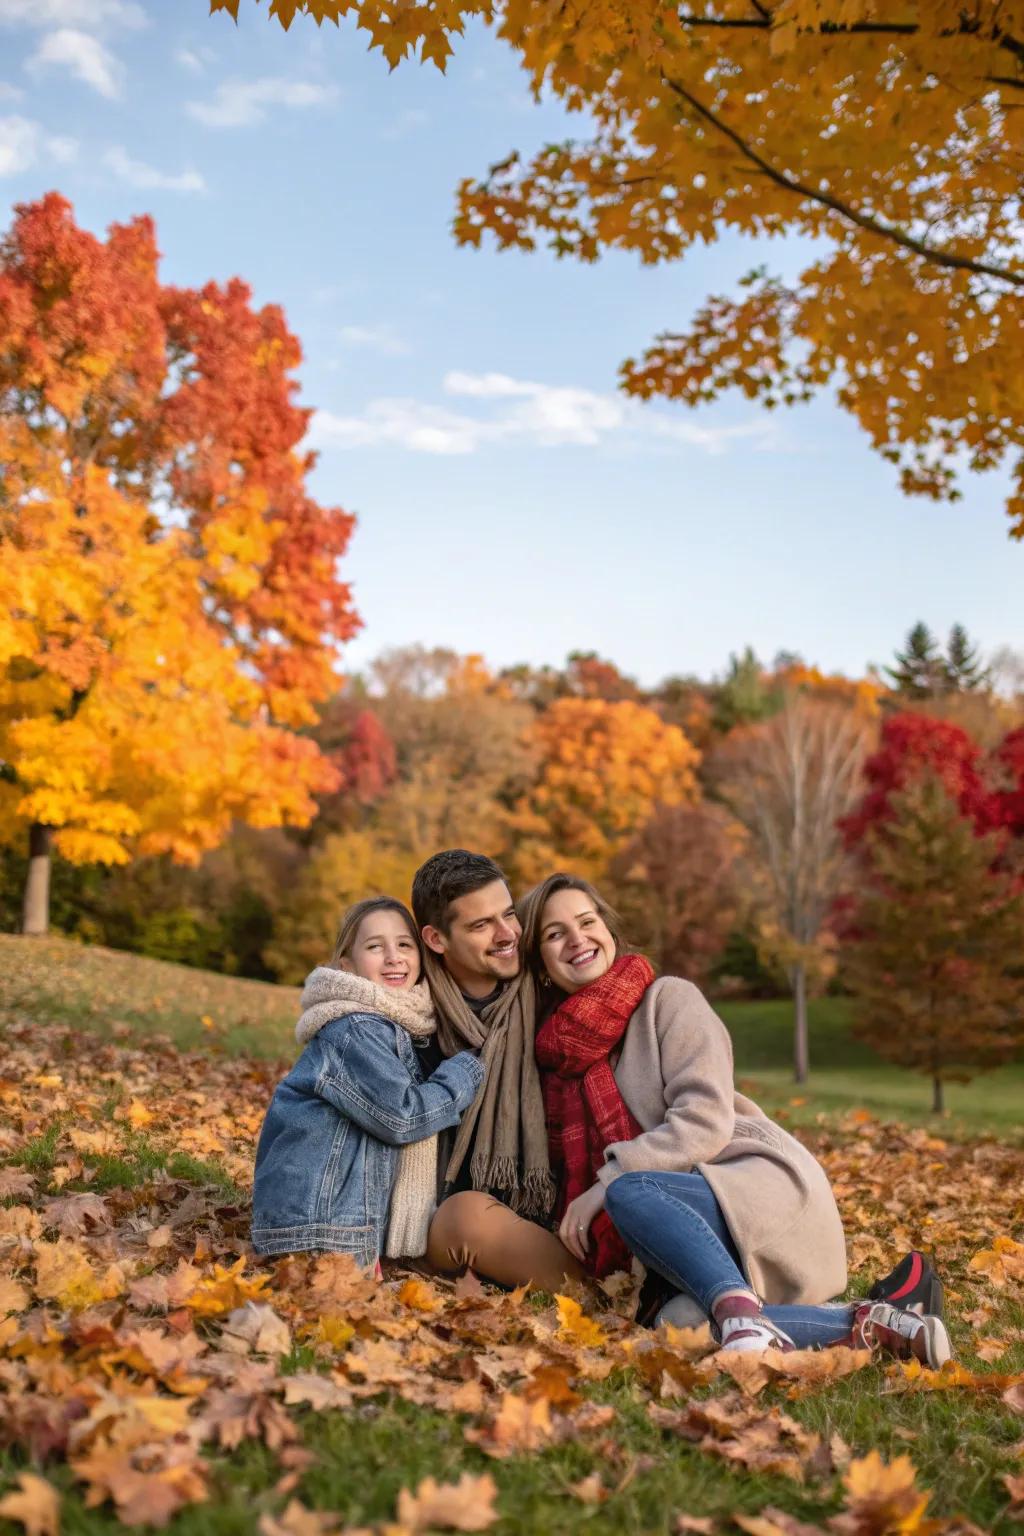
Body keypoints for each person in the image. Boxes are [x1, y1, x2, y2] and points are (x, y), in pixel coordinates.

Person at [519, 871, 952, 1365]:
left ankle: (737, 1309)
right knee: (675, 1327)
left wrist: (605, 1182)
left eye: (586, 921)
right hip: (680, 1234)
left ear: (609, 931)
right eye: (555, 934)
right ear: (541, 965)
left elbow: (704, 1120)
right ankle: (883, 1325)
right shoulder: (553, 1060)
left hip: (751, 1192)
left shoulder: (668, 1000)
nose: (577, 939)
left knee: (629, 1189)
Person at [251, 897, 483, 1268]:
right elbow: (402, 1117)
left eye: (404, 944)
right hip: (320, 1227)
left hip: (331, 1223)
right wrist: (467, 1071)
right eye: (375, 946)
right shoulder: (352, 1028)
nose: (393, 956)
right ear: (348, 964)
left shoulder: (401, 1026)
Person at [412, 850, 584, 1291]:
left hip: (568, 1208)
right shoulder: (410, 1019)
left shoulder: (549, 989)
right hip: (463, 1218)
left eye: (509, 914)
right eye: (481, 925)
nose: (508, 934)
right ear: (436, 939)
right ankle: (607, 1296)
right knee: (463, 1218)